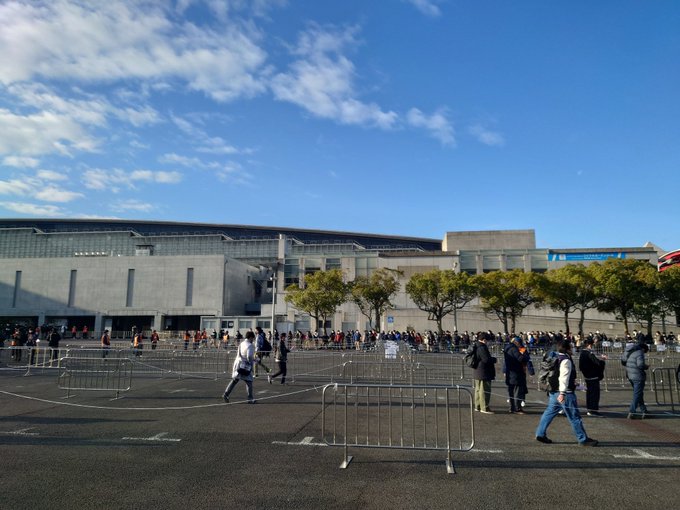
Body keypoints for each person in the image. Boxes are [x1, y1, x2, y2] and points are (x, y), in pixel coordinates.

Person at [535, 339, 598, 446]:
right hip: (565, 393)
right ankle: (582, 438)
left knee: (549, 413)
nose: (573, 349)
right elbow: (563, 378)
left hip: (553, 391)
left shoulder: (554, 357)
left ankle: (540, 433)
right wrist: (562, 393)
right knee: (574, 417)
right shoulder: (566, 360)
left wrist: (574, 384)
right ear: (567, 349)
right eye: (571, 347)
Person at [223, 330, 257, 404]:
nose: (253, 340)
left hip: (238, 363)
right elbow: (249, 357)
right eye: (253, 338)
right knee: (249, 381)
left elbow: (240, 354)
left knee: (235, 380)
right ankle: (250, 398)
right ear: (250, 337)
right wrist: (253, 362)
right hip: (245, 366)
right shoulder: (250, 345)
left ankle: (226, 394)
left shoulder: (242, 343)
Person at [579, 337, 606, 416]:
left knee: (589, 394)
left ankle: (590, 409)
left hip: (587, 376)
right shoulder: (589, 353)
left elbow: (581, 366)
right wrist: (603, 360)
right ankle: (593, 410)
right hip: (593, 376)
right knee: (594, 394)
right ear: (590, 345)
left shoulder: (582, 353)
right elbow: (598, 363)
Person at [622, 339, 649, 419]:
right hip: (638, 376)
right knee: (637, 394)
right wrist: (646, 366)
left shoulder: (629, 350)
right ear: (643, 349)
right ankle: (632, 411)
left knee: (639, 393)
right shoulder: (639, 352)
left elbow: (623, 361)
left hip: (630, 374)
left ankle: (644, 411)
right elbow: (640, 365)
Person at [503, 336, 529, 414]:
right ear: (517, 343)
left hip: (509, 371)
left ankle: (512, 407)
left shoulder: (507, 348)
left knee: (511, 391)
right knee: (517, 391)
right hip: (516, 372)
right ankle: (517, 408)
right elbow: (521, 358)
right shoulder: (514, 349)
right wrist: (525, 357)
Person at [472, 332, 497, 414]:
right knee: (484, 390)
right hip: (484, 372)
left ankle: (478, 406)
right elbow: (486, 359)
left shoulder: (476, 345)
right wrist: (494, 359)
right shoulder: (482, 347)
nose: (489, 342)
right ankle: (484, 407)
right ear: (484, 340)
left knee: (478, 390)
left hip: (477, 371)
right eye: (489, 340)